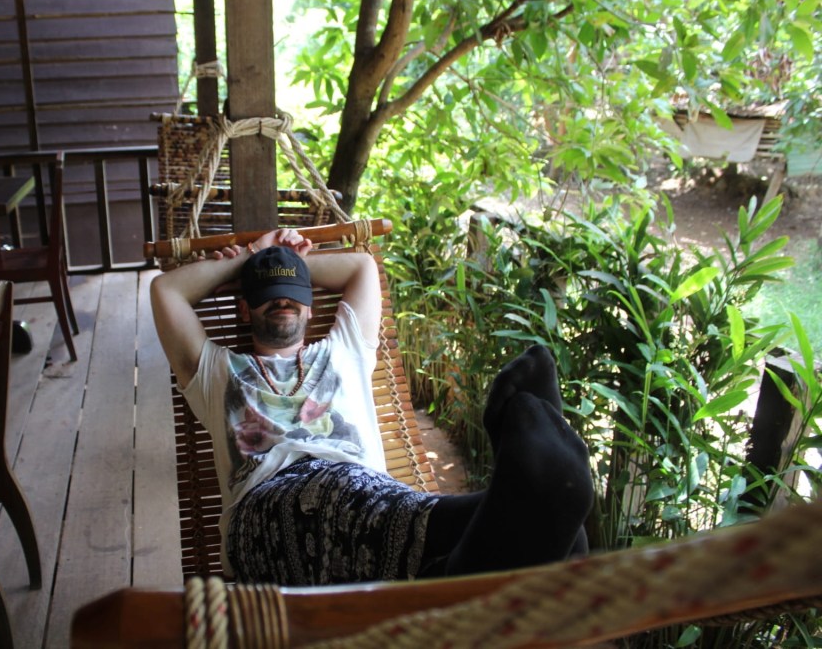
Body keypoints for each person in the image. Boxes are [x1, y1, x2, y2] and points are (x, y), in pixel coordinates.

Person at [151, 227, 593, 585]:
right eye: (268, 294)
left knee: (378, 505)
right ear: (245, 310)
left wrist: (286, 258)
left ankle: (502, 533)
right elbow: (165, 290)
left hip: (367, 493)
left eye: (292, 291)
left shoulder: (344, 349)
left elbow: (363, 267)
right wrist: (250, 259)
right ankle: (541, 499)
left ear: (311, 309)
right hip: (266, 511)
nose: (283, 301)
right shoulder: (215, 371)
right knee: (353, 505)